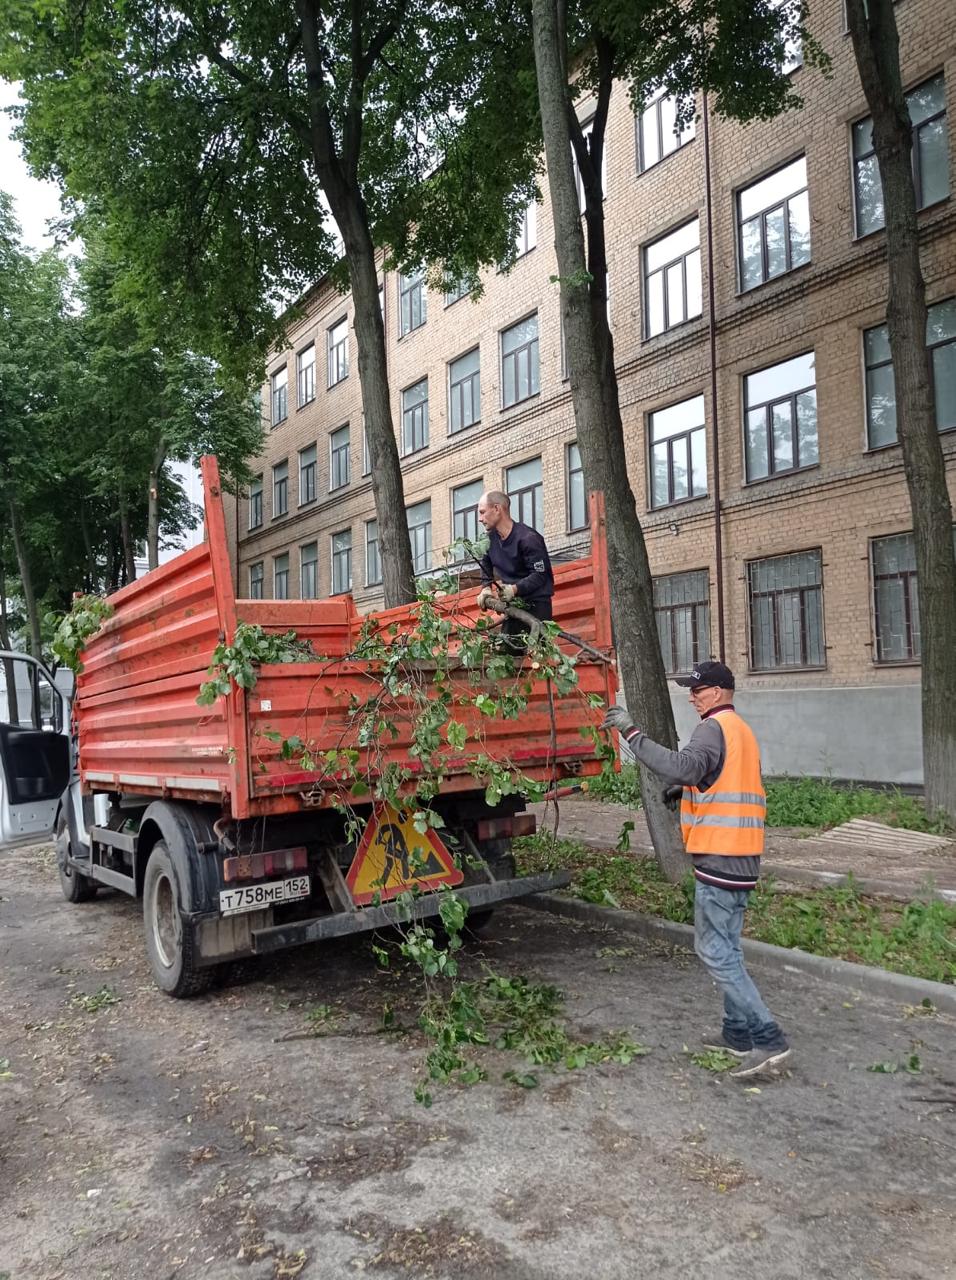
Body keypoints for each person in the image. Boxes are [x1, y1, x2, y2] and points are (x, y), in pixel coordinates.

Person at [601, 661, 790, 1080]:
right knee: (730, 948)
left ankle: (769, 1039)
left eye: (698, 689)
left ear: (720, 692)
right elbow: (713, 778)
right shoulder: (739, 730)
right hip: (741, 857)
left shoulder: (712, 728)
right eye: (691, 689)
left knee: (714, 950)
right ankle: (737, 1034)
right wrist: (686, 790)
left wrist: (632, 734)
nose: (692, 696)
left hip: (720, 858)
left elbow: (685, 765)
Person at [475, 490, 554, 650]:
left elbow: (540, 575)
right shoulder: (489, 540)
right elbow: (485, 561)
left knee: (537, 659)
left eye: (483, 512)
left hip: (536, 607)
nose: (480, 519)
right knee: (507, 655)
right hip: (513, 606)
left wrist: (514, 589)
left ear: (497, 509)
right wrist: (486, 588)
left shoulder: (528, 538)